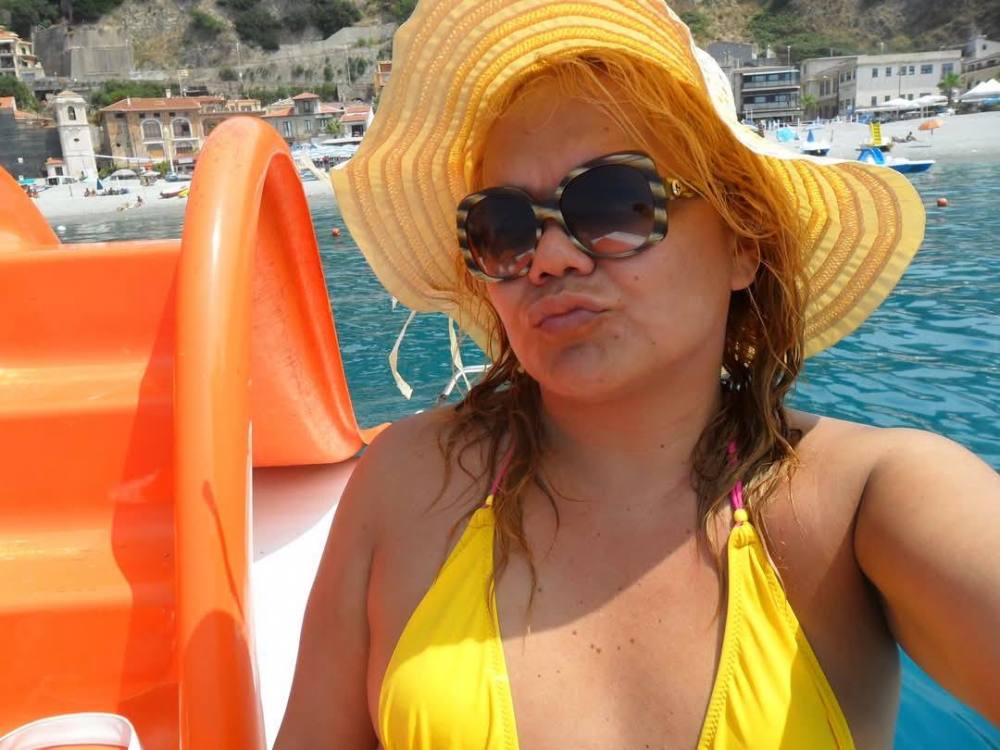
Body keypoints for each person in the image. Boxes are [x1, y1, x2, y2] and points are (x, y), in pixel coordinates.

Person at [277, 1, 1000, 748]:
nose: (550, 258)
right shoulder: (404, 484)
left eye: (613, 203)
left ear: (742, 243)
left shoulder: (864, 506)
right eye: (504, 228)